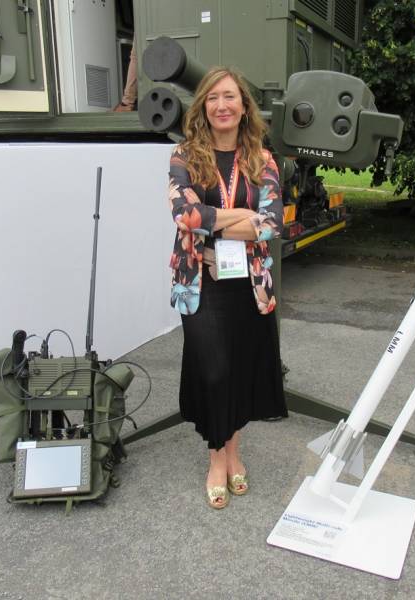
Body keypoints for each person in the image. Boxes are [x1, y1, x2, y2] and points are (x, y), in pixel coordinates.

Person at [167, 67, 287, 509]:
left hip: (248, 282)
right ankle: (216, 458)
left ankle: (233, 452)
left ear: (243, 106)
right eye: (213, 97)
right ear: (203, 106)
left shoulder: (262, 159)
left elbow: (272, 224)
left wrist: (213, 219)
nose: (222, 105)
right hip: (200, 280)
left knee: (238, 368)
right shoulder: (184, 156)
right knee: (214, 369)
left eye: (230, 96)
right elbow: (185, 216)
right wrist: (242, 217)